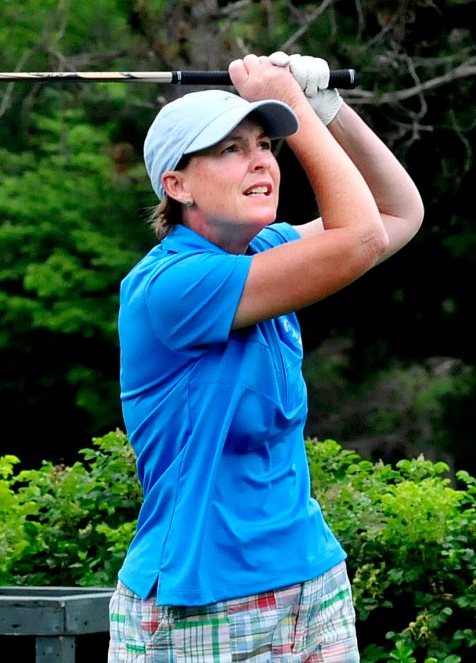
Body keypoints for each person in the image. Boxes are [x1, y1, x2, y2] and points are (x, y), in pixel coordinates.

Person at [109, 52, 423, 661]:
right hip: (203, 600)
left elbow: (395, 216)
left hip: (311, 578)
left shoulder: (264, 252)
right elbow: (358, 241)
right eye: (229, 149)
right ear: (175, 184)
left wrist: (329, 108)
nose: (259, 160)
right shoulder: (172, 287)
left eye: (264, 144)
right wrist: (294, 106)